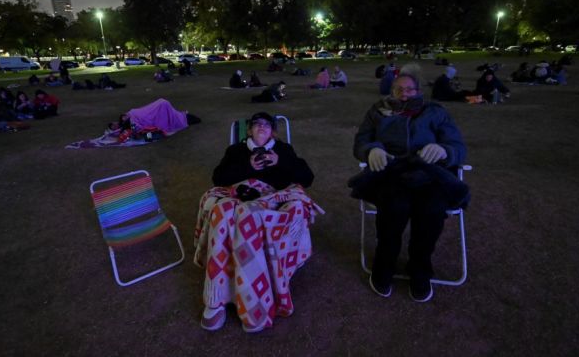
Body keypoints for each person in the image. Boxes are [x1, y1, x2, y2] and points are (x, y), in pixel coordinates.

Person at [194, 112, 323, 333]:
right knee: (221, 211)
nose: (261, 128)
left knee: (248, 217)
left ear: (272, 131)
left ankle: (254, 304)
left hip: (272, 201)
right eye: (256, 125)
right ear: (249, 131)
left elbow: (307, 178)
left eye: (266, 125)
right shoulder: (235, 151)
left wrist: (280, 161)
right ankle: (215, 299)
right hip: (238, 196)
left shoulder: (283, 150)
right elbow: (219, 178)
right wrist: (248, 166)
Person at [350, 72, 468, 302]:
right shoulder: (377, 111)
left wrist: (445, 150)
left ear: (418, 91)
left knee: (432, 210)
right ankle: (384, 265)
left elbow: (457, 145)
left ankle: (420, 268)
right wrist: (371, 149)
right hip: (392, 171)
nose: (404, 94)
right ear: (391, 91)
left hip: (430, 173)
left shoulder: (435, 112)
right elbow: (360, 142)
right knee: (394, 208)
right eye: (398, 89)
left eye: (409, 89)